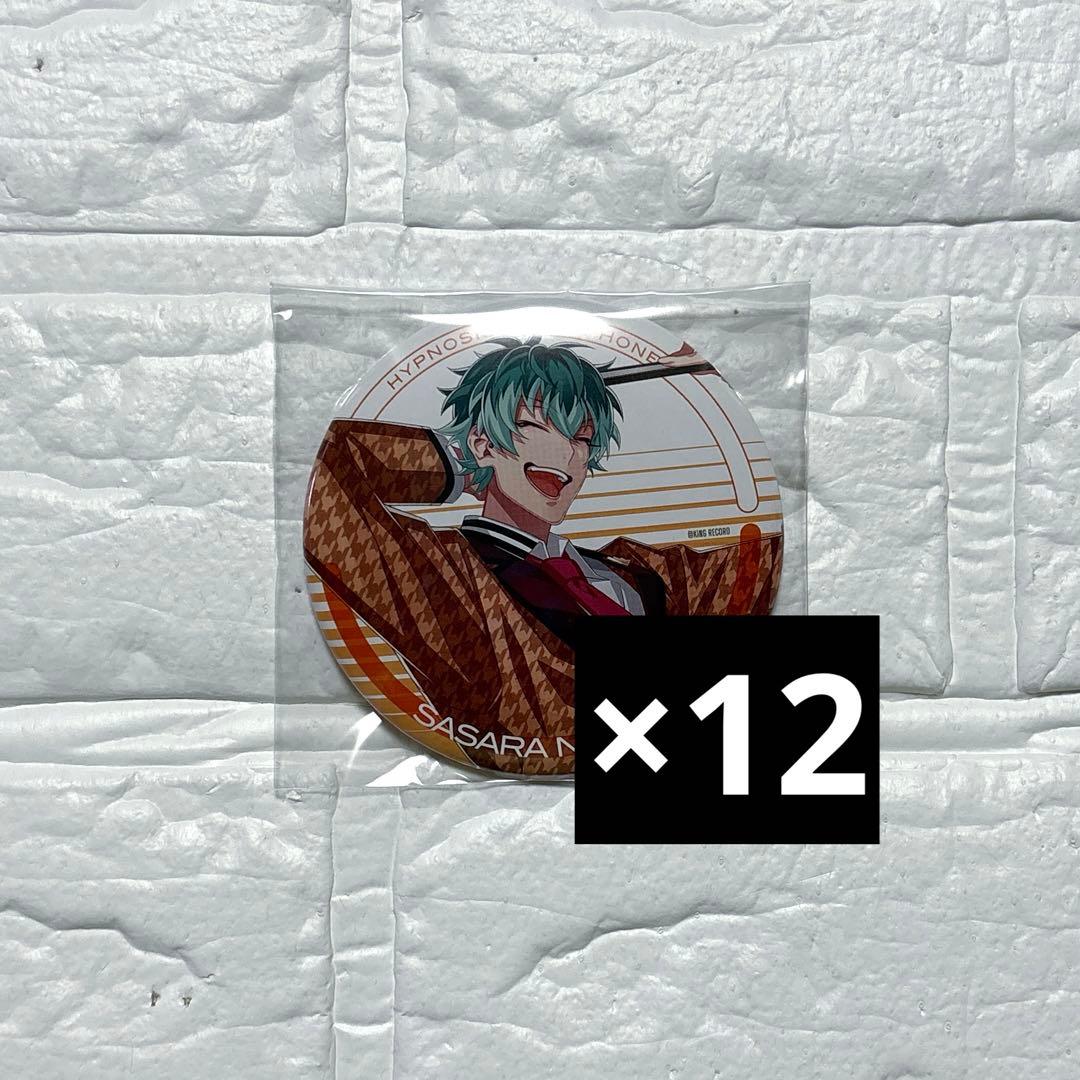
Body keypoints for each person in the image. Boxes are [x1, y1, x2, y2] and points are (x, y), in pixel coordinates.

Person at [304, 338, 781, 774]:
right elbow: (335, 472)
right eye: (535, 427)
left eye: (581, 438)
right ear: (483, 442)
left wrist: (697, 381)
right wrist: (458, 460)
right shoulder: (441, 578)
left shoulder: (641, 573)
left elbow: (757, 561)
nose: (566, 454)